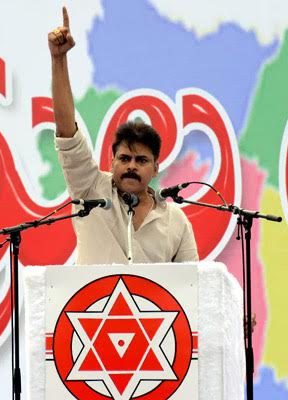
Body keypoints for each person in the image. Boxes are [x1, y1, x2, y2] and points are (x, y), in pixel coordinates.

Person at [49, 7, 198, 265]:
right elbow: (66, 133)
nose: (131, 166)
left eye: (141, 160)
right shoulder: (90, 190)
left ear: (155, 168)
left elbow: (194, 286)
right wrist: (58, 60)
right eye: (124, 158)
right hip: (90, 305)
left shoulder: (176, 220)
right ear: (112, 161)